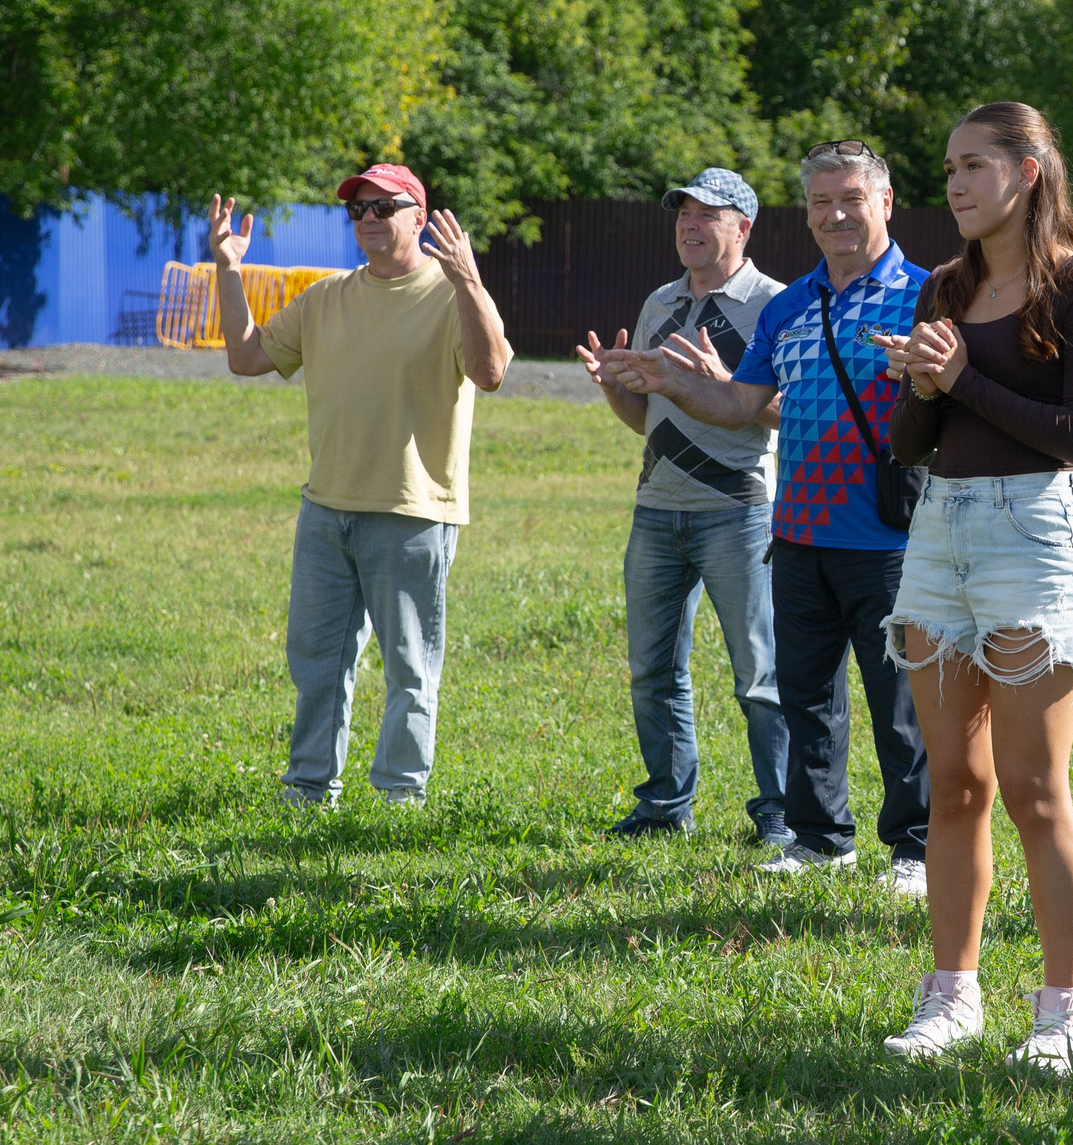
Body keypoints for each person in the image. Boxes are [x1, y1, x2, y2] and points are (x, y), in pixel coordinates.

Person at [870, 103, 1073, 1073]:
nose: (955, 184)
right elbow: (911, 444)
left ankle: (1065, 1015)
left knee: (1032, 786)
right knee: (953, 783)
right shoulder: (944, 286)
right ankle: (952, 997)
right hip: (940, 530)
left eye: (974, 165)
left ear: (1027, 173)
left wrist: (961, 377)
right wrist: (921, 386)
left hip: (1032, 533)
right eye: (948, 168)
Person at [605, 142, 930, 889]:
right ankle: (820, 839)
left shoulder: (927, 294)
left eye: (851, 199)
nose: (835, 215)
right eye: (821, 202)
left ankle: (914, 848)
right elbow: (740, 404)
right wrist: (670, 383)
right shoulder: (791, 305)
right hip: (798, 531)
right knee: (808, 697)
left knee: (899, 704)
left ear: (885, 202)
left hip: (891, 536)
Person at [208, 164, 510, 808]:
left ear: (419, 217)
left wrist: (469, 281)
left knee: (410, 666)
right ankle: (309, 788)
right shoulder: (325, 298)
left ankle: (400, 797)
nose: (368, 218)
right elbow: (247, 356)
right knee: (317, 662)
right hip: (326, 510)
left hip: (412, 511)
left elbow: (490, 372)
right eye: (358, 210)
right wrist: (229, 270)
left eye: (383, 207)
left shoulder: (450, 293)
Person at [574, 168, 791, 846]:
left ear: (743, 228)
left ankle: (781, 812)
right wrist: (614, 386)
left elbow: (795, 412)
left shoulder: (775, 305)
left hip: (739, 512)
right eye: (683, 214)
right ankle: (666, 805)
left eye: (707, 215)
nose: (690, 226)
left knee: (760, 675)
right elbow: (651, 420)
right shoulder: (659, 303)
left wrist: (730, 385)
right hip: (657, 509)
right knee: (652, 670)